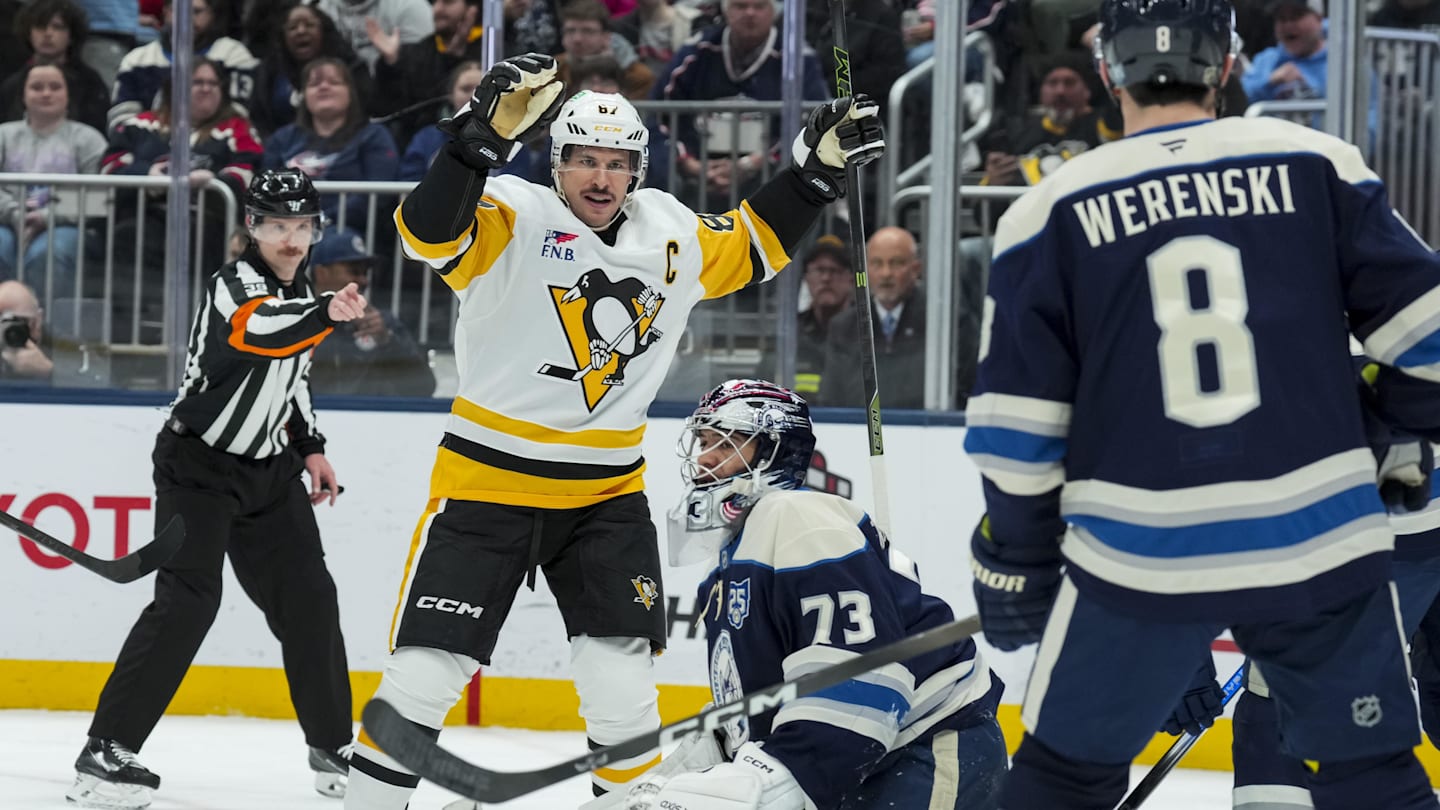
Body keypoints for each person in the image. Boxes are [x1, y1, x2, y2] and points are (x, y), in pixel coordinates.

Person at [342, 52, 884, 809]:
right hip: (486, 486)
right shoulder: (510, 213)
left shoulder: (670, 231)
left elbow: (755, 241)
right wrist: (474, 140)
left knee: (622, 689)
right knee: (424, 676)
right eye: (585, 161)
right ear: (556, 162)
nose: (601, 178)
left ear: (639, 169)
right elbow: (426, 233)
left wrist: (812, 172)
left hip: (605, 495)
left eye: (619, 163)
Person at [963, 0, 1440, 807]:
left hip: (1138, 552)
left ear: (1109, 71)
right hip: (1315, 534)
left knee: (1061, 777)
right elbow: (1429, 351)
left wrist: (1016, 562)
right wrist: (1370, 418)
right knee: (1374, 775)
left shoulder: (1046, 209)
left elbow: (1018, 433)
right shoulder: (1318, 162)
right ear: (1225, 65)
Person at [68, 169, 369, 810]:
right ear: (251, 229)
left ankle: (333, 745)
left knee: (310, 600)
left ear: (315, 230)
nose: (291, 239)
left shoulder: (304, 289)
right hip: (197, 468)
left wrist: (310, 446)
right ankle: (106, 749)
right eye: (277, 226)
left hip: (270, 472)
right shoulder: (234, 284)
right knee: (188, 602)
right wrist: (322, 311)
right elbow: (260, 334)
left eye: (302, 226)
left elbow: (293, 379)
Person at [617, 378, 1006, 810]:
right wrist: (668, 781)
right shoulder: (728, 565)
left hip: (925, 748)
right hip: (860, 761)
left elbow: (862, 679)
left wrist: (775, 778)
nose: (706, 458)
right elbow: (752, 711)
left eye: (726, 445)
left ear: (772, 453)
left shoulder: (799, 517)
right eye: (704, 441)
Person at [0, 64, 107, 306]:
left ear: (68, 94)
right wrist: (15, 213)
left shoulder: (89, 139)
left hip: (68, 225)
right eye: (37, 87)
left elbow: (97, 197)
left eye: (55, 87)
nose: (46, 93)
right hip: (6, 220)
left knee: (48, 254)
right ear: (23, 95)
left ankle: (49, 334)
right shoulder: (3, 135)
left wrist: (47, 217)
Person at [262, 57, 399, 232]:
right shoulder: (282, 138)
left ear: (350, 92)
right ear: (304, 95)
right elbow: (266, 190)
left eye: (334, 82)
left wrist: (323, 220)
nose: (323, 87)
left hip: (348, 234)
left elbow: (377, 194)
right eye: (314, 84)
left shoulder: (374, 136)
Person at [307, 225, 436, 397]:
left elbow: (424, 388)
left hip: (369, 422)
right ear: (322, 273)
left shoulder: (384, 325)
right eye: (354, 271)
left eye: (365, 272)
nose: (363, 280)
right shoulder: (297, 320)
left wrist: (387, 342)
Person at [108, 0, 258, 132]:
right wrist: (155, 137)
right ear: (166, 12)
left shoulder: (233, 55)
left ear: (211, 15)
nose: (186, 19)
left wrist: (202, 138)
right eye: (178, 10)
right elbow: (122, 121)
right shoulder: (137, 60)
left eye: (196, 11)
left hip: (216, 148)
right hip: (149, 146)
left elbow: (239, 114)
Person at [819, 226, 925, 409]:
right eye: (877, 263)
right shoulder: (844, 326)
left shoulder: (939, 323)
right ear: (866, 269)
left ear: (915, 269)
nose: (886, 274)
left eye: (896, 263)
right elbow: (832, 396)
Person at [755, 235, 850, 398]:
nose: (826, 278)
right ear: (806, 277)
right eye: (819, 270)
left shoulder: (866, 334)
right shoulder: (790, 335)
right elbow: (761, 390)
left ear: (851, 278)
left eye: (835, 271)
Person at [0, 0, 112, 133]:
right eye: (40, 26)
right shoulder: (11, 84)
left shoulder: (91, 83)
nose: (48, 34)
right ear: (29, 33)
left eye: (58, 27)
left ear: (71, 35)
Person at [1241, 0, 1328, 102]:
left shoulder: (1338, 62)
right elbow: (1240, 98)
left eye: (1296, 17)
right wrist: (1270, 82)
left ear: (1319, 19)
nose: (1288, 25)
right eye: (1281, 19)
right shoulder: (1266, 60)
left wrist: (1308, 86)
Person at [0, 279, 54, 382]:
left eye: (17, 321)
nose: (6, 329)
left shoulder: (60, 346)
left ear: (38, 321)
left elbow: (87, 380)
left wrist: (47, 370)